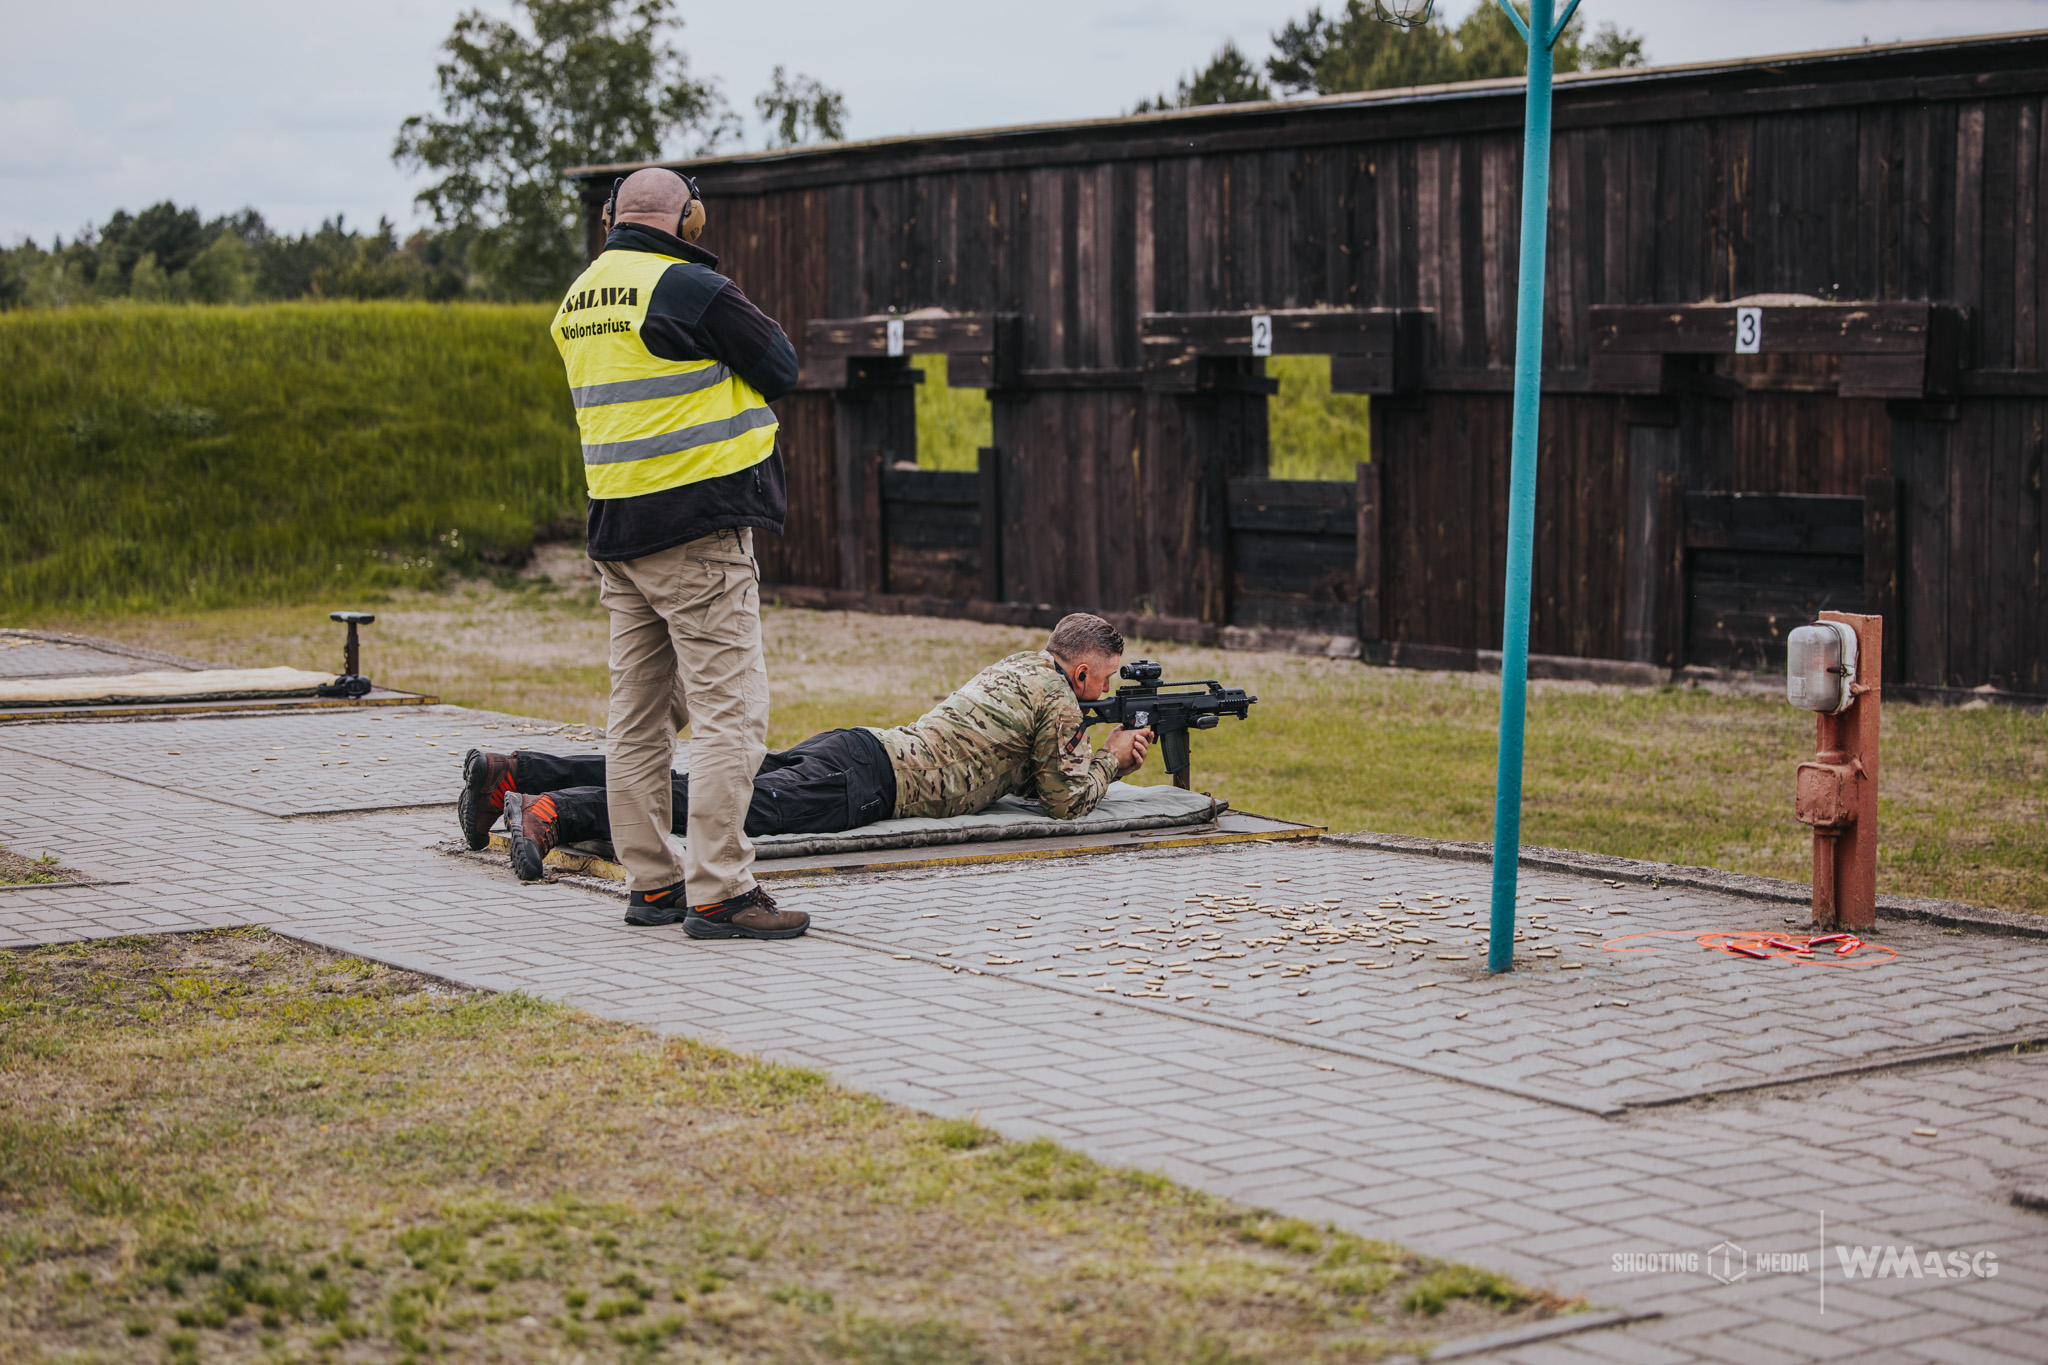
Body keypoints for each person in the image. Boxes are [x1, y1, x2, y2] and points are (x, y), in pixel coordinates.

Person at [459, 614, 1155, 924]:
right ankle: (559, 810)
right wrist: (1114, 761)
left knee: (704, 773)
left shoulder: (1019, 668)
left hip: (854, 746)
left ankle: (516, 768)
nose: (1102, 691)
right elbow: (1066, 802)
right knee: (718, 800)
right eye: (1105, 680)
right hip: (867, 785)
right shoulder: (1060, 699)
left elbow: (1023, 768)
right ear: (1085, 668)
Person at [548, 165, 809, 941]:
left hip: (619, 535)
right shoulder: (688, 288)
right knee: (730, 714)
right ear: (688, 217)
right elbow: (782, 365)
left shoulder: (579, 298)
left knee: (636, 716)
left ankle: (652, 884)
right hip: (697, 531)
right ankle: (721, 891)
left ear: (610, 217)